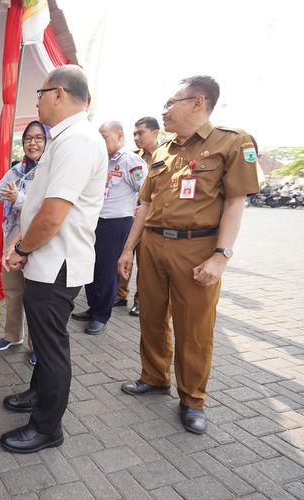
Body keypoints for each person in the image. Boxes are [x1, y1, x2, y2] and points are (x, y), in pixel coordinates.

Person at [118, 76, 260, 434]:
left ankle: (192, 399)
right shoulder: (163, 150)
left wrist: (221, 256)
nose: (164, 110)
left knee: (194, 328)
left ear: (198, 102)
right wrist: (128, 249)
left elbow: (235, 202)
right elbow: (145, 204)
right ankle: (153, 376)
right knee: (150, 315)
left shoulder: (233, 142)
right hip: (153, 243)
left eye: (171, 102)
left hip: (197, 248)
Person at [0, 65, 107, 453]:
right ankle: (37, 393)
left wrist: (21, 249)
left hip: (56, 262)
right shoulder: (64, 137)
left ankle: (47, 427)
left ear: (58, 93)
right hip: (47, 259)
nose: (38, 101)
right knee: (44, 343)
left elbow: (53, 214)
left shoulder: (78, 139)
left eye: (40, 94)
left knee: (51, 345)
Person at [0, 121, 47, 366]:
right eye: (28, 138)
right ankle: (13, 335)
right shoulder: (16, 170)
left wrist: (19, 199)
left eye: (38, 138)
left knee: (36, 296)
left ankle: (37, 346)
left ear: (46, 142)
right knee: (13, 289)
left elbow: (45, 208)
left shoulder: (51, 170)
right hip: (11, 236)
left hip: (36, 239)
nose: (32, 143)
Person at [71, 122, 145, 335]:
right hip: (94, 221)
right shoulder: (100, 161)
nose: (100, 142)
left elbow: (147, 193)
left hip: (117, 224)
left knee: (107, 271)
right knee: (90, 267)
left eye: (104, 137)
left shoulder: (130, 161)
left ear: (119, 136)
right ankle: (93, 307)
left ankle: (101, 315)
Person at [115, 116, 160, 316]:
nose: (136, 137)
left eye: (141, 132)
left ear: (155, 133)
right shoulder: (133, 157)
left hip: (151, 219)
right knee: (125, 255)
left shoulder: (164, 156)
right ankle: (120, 294)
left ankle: (140, 300)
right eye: (134, 133)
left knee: (145, 262)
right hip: (131, 217)